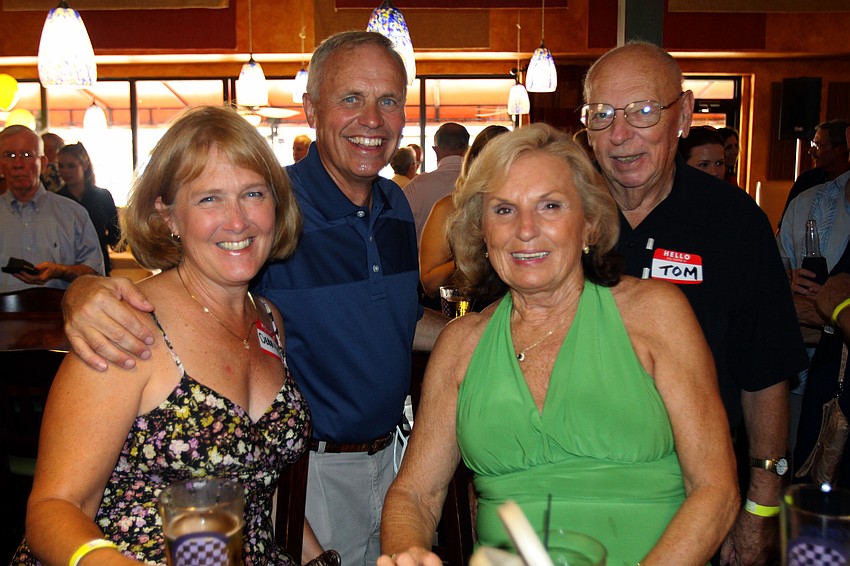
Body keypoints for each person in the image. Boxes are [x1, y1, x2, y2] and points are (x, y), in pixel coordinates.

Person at [60, 31, 447, 566]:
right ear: (311, 109)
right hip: (310, 475)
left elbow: (397, 318)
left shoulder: (394, 210)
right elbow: (58, 505)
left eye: (388, 100)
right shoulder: (273, 210)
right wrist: (82, 291)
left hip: (382, 463)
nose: (372, 119)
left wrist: (481, 332)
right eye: (351, 98)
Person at [379, 123, 739, 566]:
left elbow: (716, 489)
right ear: (482, 232)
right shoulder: (461, 344)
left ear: (588, 223)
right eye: (504, 210)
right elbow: (414, 494)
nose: (526, 230)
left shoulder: (653, 312)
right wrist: (409, 553)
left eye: (550, 205)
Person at [13, 106, 313, 565]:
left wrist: (321, 559)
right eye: (209, 199)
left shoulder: (268, 320)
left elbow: (258, 477)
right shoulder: (127, 325)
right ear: (168, 215)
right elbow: (54, 508)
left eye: (253, 193)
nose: (238, 221)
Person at [581, 42, 806, 566]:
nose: (620, 136)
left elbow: (765, 373)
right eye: (603, 115)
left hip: (697, 497)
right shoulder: (561, 216)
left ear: (682, 116)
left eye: (642, 112)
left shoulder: (734, 223)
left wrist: (761, 509)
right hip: (578, 488)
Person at [0, 125, 104, 293]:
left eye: (27, 155)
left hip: (60, 314)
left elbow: (96, 274)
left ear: (42, 163)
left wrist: (61, 271)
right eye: (9, 155)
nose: (18, 164)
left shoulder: (73, 213)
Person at [419, 125, 509, 304]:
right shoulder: (449, 208)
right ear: (474, 163)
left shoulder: (522, 212)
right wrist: (474, 255)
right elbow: (429, 284)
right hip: (463, 313)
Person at [57, 142, 121, 275]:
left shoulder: (102, 196)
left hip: (98, 267)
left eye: (71, 166)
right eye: (61, 166)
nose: (66, 171)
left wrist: (101, 240)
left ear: (84, 165)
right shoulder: (55, 200)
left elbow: (116, 235)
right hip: (65, 272)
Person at [403, 122, 469, 242]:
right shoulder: (477, 182)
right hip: (470, 260)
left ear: (436, 150)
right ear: (467, 150)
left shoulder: (417, 185)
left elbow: (399, 229)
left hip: (422, 260)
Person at [780, 119, 850, 225]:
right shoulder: (806, 181)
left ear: (840, 149)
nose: (811, 151)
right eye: (813, 144)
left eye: (818, 146)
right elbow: (785, 227)